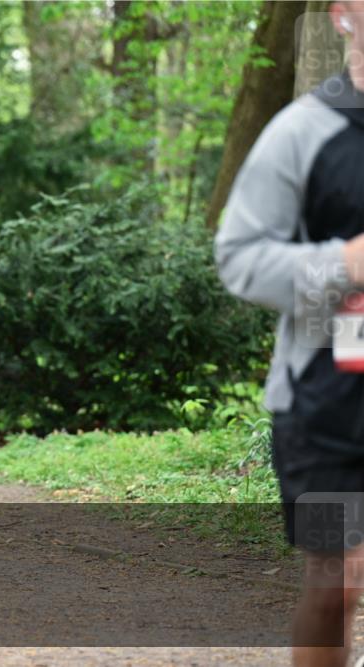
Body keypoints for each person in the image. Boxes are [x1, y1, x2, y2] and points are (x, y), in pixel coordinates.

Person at [215, 3, 364, 665]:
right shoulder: (302, 132)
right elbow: (239, 257)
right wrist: (342, 265)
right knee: (339, 581)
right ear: (343, 17)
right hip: (324, 405)